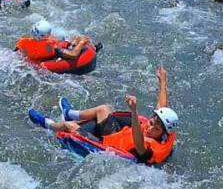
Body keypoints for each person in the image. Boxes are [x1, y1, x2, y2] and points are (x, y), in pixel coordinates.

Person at [28, 65, 179, 165]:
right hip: (116, 136)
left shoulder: (149, 148)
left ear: (162, 134)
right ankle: (69, 113)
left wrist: (133, 111)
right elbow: (162, 106)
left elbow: (138, 143)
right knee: (103, 109)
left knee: (69, 126)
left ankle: (46, 124)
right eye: (152, 121)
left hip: (110, 146)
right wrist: (163, 81)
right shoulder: (159, 126)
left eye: (155, 129)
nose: (150, 126)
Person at [16, 21, 99, 63]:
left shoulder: (23, 42)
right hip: (52, 57)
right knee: (79, 38)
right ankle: (94, 49)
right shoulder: (51, 47)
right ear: (47, 35)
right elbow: (73, 55)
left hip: (35, 58)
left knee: (72, 39)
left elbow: (17, 51)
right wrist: (81, 43)